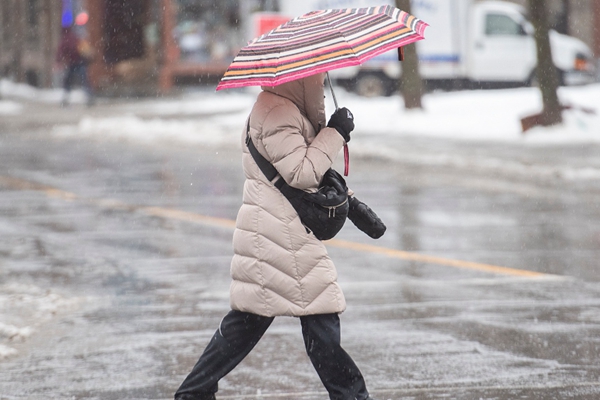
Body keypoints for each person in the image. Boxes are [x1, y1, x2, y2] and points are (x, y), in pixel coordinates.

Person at [175, 72, 384, 400]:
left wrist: (352, 205)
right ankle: (352, 396)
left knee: (248, 323)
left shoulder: (284, 109)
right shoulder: (277, 113)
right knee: (317, 317)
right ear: (302, 78)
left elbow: (308, 174)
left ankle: (194, 391)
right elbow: (300, 174)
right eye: (318, 76)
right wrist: (335, 133)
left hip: (277, 229)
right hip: (280, 233)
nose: (322, 83)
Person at [56, 26, 94, 106]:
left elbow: (62, 49)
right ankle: (67, 97)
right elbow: (62, 49)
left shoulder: (78, 39)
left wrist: (60, 59)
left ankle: (88, 97)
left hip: (77, 62)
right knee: (76, 79)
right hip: (74, 63)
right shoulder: (75, 39)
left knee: (76, 80)